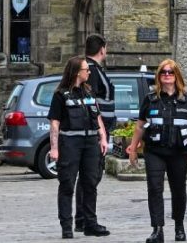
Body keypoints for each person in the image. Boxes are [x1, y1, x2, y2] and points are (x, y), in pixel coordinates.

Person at [127, 59, 187, 243]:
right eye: (163, 72)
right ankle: (157, 230)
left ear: (176, 75)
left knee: (178, 189)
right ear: (158, 76)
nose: (167, 75)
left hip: (179, 152)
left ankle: (179, 226)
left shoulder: (186, 98)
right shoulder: (150, 99)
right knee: (154, 188)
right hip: (155, 151)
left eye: (170, 72)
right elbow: (140, 126)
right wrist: (133, 148)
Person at [48, 56, 110, 239]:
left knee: (90, 184)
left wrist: (103, 137)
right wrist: (54, 148)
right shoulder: (60, 95)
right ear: (76, 72)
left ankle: (90, 223)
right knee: (67, 184)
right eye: (86, 70)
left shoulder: (88, 92)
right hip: (70, 143)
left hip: (90, 143)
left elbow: (97, 116)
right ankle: (66, 226)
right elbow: (54, 123)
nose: (89, 72)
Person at [74, 34, 115, 233]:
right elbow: (92, 103)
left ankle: (83, 218)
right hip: (96, 132)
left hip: (99, 130)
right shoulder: (91, 72)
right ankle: (84, 219)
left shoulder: (94, 70)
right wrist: (101, 132)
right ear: (102, 49)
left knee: (89, 177)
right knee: (90, 177)